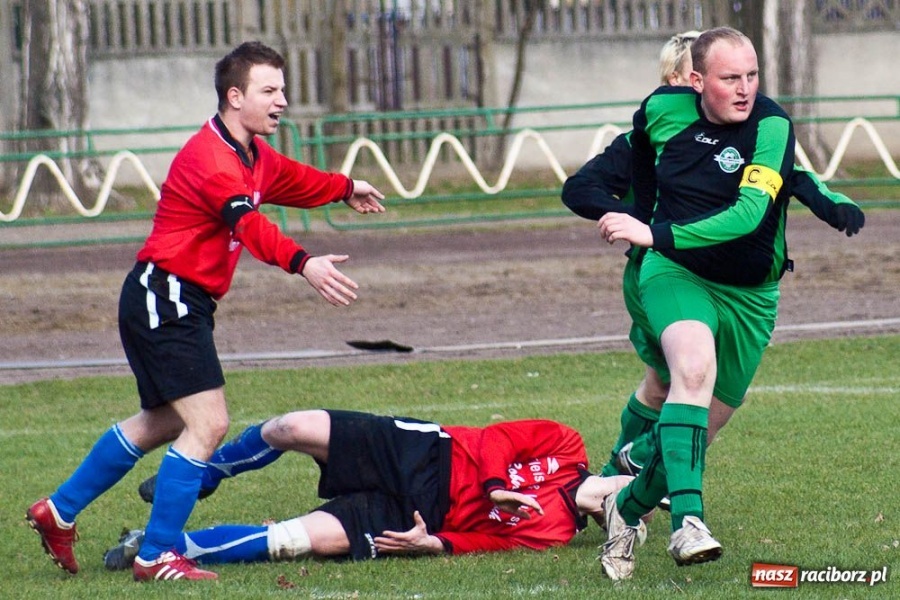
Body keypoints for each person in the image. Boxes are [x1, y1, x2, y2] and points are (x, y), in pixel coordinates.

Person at [26, 41, 386, 582]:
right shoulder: (211, 158)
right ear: (234, 96)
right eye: (270, 90)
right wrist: (303, 262)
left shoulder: (253, 155)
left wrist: (346, 188)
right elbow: (249, 225)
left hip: (170, 299)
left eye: (282, 89)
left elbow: (294, 179)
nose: (282, 100)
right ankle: (157, 554)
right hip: (165, 296)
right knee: (209, 423)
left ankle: (60, 510)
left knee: (165, 421)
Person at [590, 27, 857, 580]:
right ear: (696, 80)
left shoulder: (772, 124)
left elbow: (749, 215)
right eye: (730, 78)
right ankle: (690, 524)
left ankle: (627, 505)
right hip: (676, 272)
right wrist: (648, 223)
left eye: (752, 76)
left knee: (690, 437)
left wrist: (652, 230)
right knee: (691, 368)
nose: (745, 90)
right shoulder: (662, 110)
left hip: (752, 297)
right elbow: (641, 156)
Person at [101, 410, 640, 567]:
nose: (626, 493)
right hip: (426, 451)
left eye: (637, 502)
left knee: (302, 540)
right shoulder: (566, 444)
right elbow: (498, 439)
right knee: (290, 429)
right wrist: (496, 487)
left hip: (422, 513)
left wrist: (438, 544)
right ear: (621, 471)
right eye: (635, 485)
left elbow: (491, 543)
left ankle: (164, 545)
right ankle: (208, 471)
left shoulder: (556, 532)